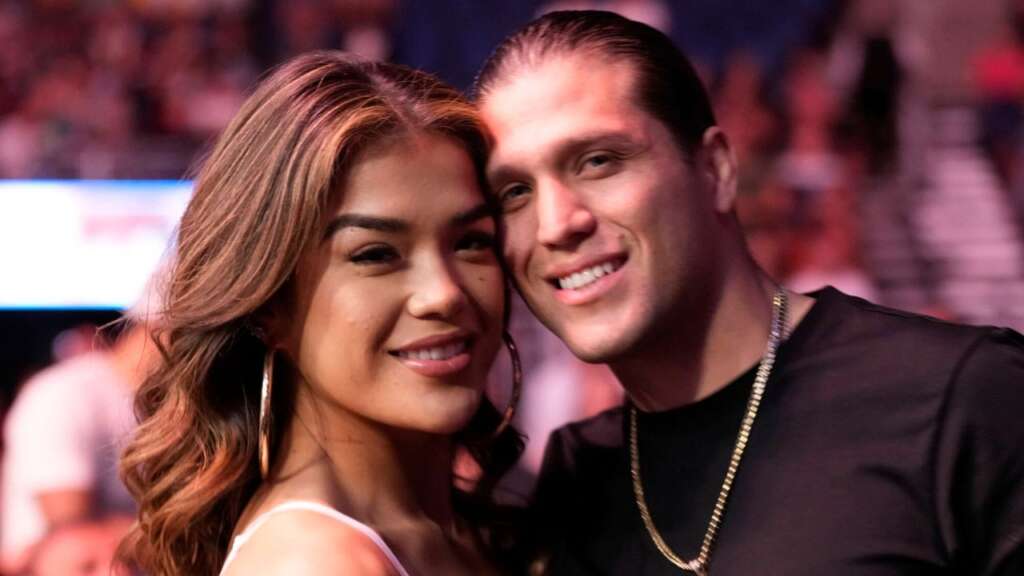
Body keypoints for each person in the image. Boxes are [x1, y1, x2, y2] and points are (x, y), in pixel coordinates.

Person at [474, 10, 1024, 575]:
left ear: (716, 168)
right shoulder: (577, 480)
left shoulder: (962, 397)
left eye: (598, 161)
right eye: (514, 192)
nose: (556, 224)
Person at [118, 51, 523, 575]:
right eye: (376, 254)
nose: (444, 293)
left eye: (471, 242)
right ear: (267, 304)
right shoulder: (310, 562)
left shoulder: (460, 531)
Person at [1, 321, 153, 573]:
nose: (115, 573)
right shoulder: (63, 395)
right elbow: (71, 527)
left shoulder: (162, 407)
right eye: (89, 568)